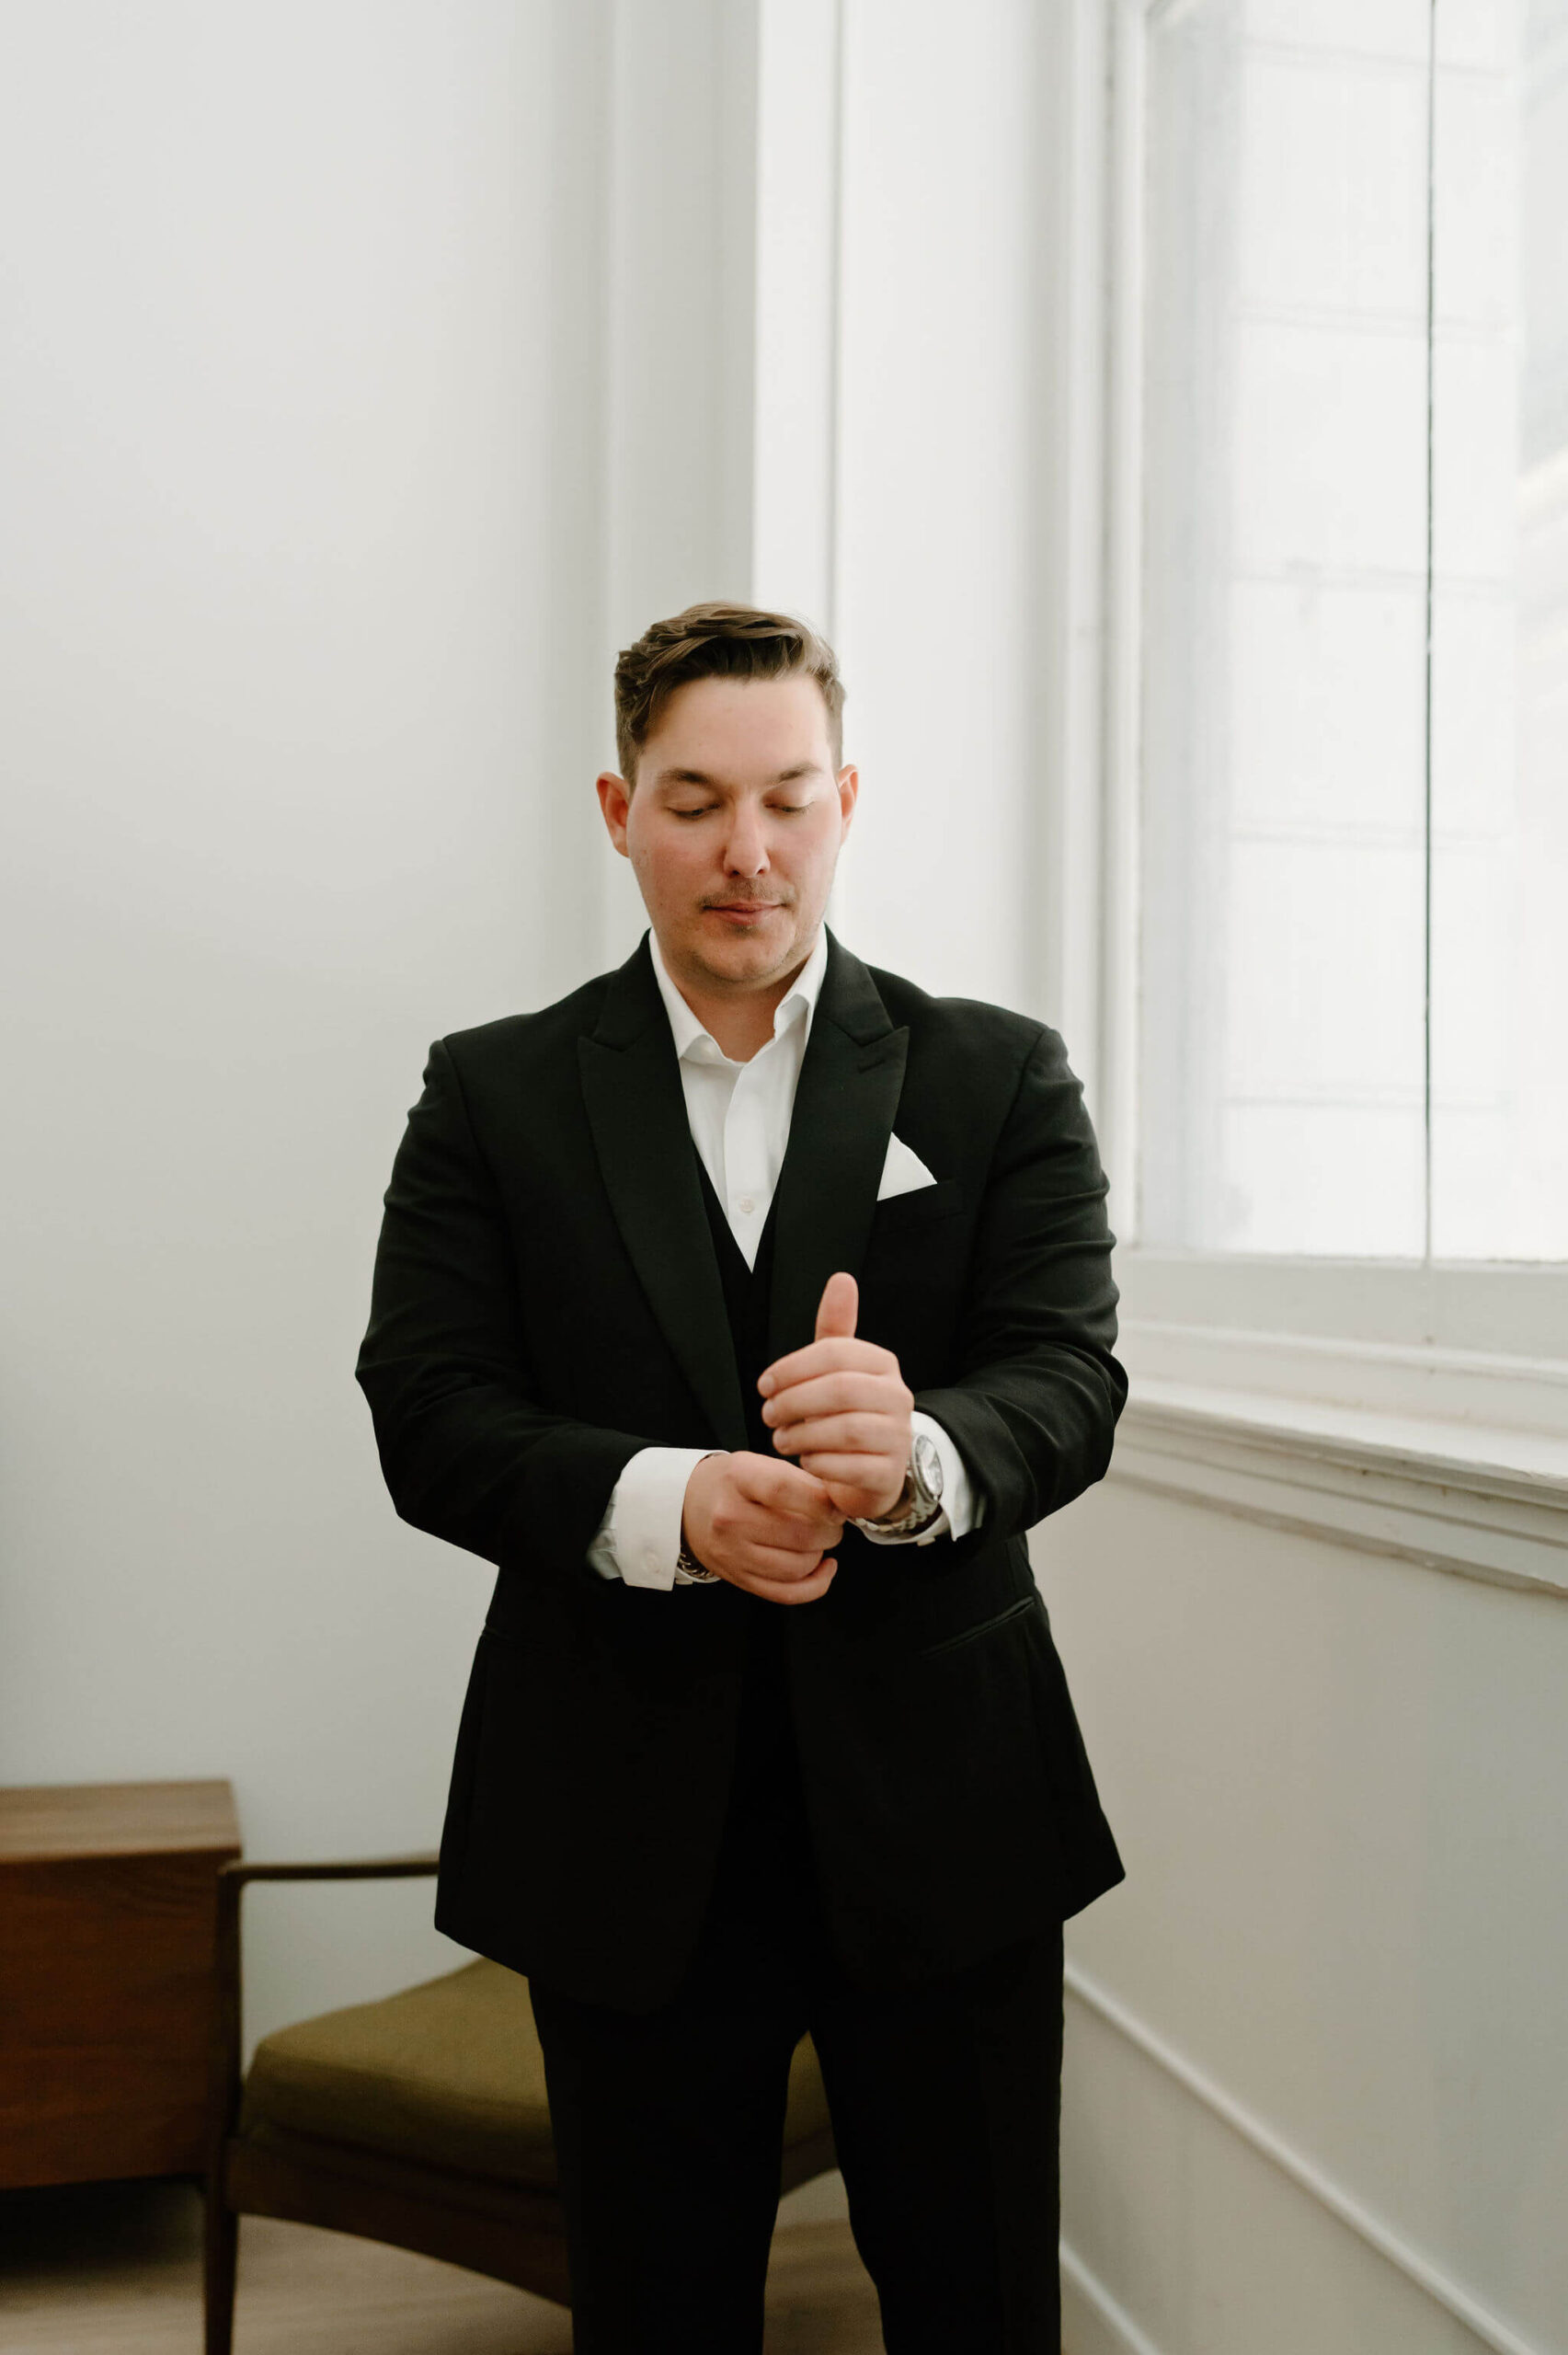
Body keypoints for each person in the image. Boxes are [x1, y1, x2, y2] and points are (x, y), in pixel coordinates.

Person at [355, 602, 1126, 2353]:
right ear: (617, 809)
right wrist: (667, 1504)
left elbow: (1068, 1376)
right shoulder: (494, 1092)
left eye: (785, 797)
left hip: (948, 1810)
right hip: (617, 1811)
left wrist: (921, 1452)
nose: (745, 852)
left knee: (978, 2297)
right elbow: (427, 1404)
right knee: (655, 2313)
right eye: (694, 799)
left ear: (844, 798)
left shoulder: (998, 1074)